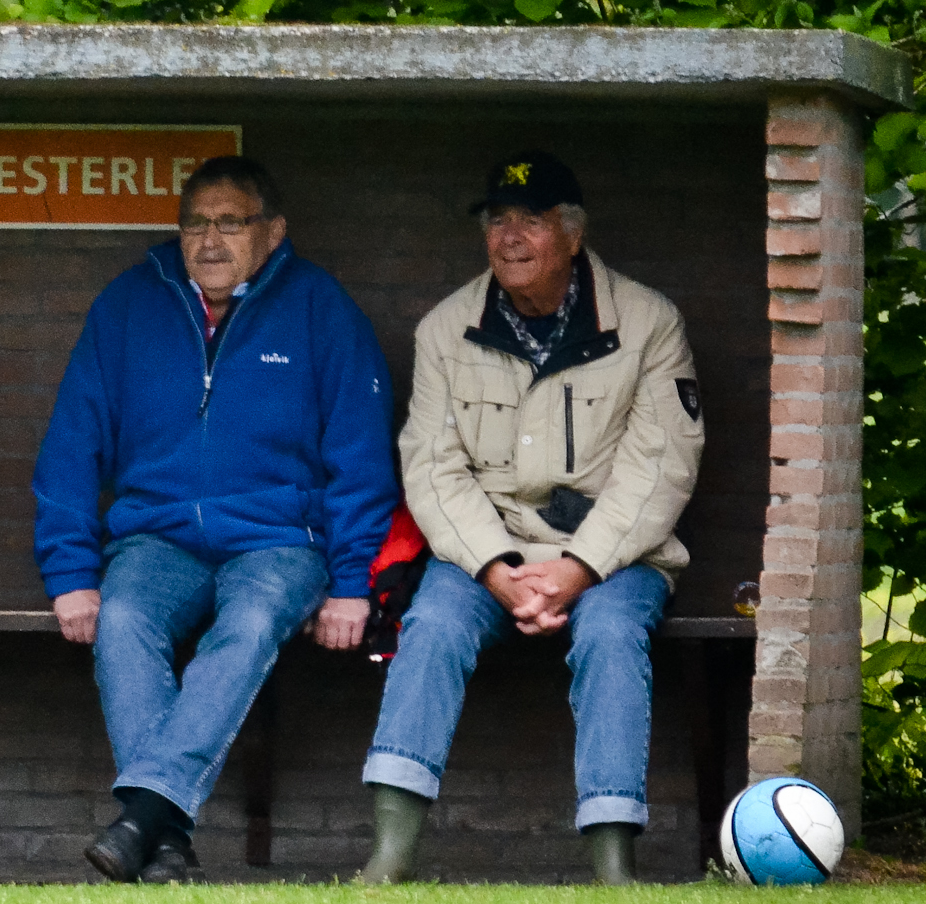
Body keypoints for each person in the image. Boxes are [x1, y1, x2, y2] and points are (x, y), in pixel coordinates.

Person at [34, 155, 396, 884]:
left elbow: (362, 457)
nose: (209, 240)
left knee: (250, 624)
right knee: (124, 620)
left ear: (273, 231)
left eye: (230, 222)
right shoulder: (129, 304)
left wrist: (352, 581)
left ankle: (145, 816)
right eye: (195, 222)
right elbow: (72, 442)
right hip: (156, 537)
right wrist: (71, 571)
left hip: (278, 542)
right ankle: (165, 841)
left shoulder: (320, 308)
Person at [358, 151, 705, 885]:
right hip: (485, 555)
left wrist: (579, 569)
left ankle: (613, 863)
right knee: (431, 626)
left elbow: (661, 467)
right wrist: (497, 567)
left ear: (573, 234)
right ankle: (389, 855)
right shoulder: (447, 327)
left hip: (613, 556)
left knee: (612, 637)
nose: (510, 236)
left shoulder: (649, 323)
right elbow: (432, 466)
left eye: (532, 219)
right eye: (498, 219)